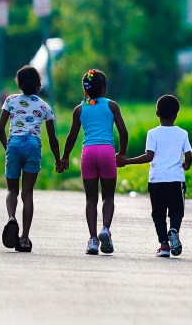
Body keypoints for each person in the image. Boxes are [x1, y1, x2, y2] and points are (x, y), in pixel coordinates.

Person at [60, 69, 128, 255]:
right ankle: (105, 229)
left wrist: (65, 157)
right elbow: (123, 132)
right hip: (107, 153)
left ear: (85, 89)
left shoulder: (80, 109)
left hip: (88, 153)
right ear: (104, 88)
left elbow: (72, 136)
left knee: (91, 198)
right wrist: (121, 154)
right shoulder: (112, 106)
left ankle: (92, 240)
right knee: (108, 197)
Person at [0, 65, 62, 253]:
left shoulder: (10, 100)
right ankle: (24, 239)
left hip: (14, 144)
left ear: (18, 83)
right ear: (39, 84)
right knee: (27, 193)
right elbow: (52, 138)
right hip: (33, 145)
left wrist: (8, 148)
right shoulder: (45, 107)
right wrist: (58, 159)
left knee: (12, 190)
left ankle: (11, 218)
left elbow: (0, 129)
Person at [117, 95, 192, 258]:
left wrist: (127, 161)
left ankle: (164, 245)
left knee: (158, 213)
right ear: (176, 115)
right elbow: (188, 155)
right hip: (176, 180)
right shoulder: (182, 133)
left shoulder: (153, 133)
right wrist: (186, 165)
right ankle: (174, 230)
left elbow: (149, 156)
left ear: (157, 113)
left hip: (157, 181)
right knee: (176, 210)